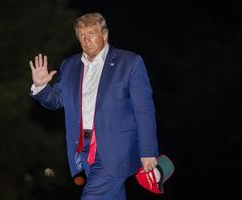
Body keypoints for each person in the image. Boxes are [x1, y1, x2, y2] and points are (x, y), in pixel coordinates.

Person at [29, 12, 159, 200]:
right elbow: (57, 100)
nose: (86, 39)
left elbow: (144, 111)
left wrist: (148, 152)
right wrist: (41, 86)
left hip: (116, 149)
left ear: (104, 34)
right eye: (81, 35)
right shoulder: (70, 65)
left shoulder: (130, 62)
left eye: (91, 33)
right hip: (83, 149)